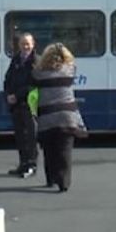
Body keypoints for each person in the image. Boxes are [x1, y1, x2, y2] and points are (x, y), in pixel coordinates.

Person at [31, 43, 86, 192]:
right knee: (64, 150)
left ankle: (51, 179)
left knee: (49, 150)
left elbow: (32, 81)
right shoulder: (70, 71)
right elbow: (72, 64)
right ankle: (64, 182)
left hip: (47, 116)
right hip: (67, 116)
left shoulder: (38, 73)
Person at [4, 32, 38, 178]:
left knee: (31, 136)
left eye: (28, 44)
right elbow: (8, 78)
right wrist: (8, 94)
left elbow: (33, 83)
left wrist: (16, 96)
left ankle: (31, 165)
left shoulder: (36, 61)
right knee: (20, 136)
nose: (25, 47)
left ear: (33, 44)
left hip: (29, 103)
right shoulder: (16, 59)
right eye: (23, 44)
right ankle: (23, 164)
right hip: (16, 105)